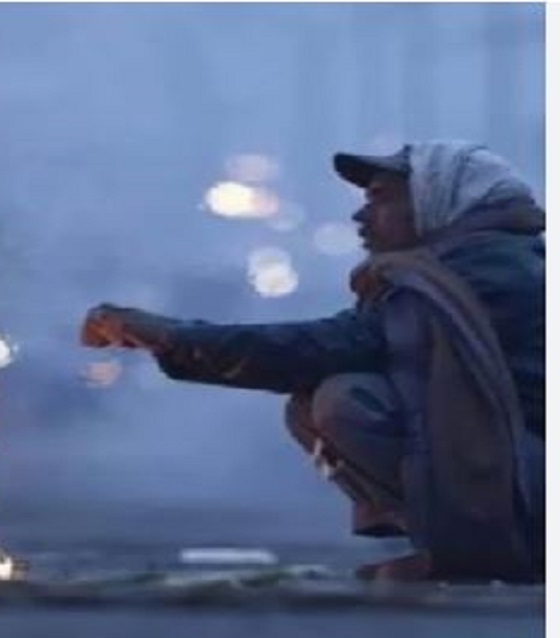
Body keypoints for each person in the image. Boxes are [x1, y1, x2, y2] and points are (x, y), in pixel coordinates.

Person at [81, 141, 544, 583]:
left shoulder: (489, 272)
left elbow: (329, 346)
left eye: (381, 198)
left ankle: (488, 552)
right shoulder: (462, 265)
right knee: (321, 400)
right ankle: (468, 546)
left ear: (438, 202)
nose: (361, 215)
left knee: (346, 400)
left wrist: (173, 337)